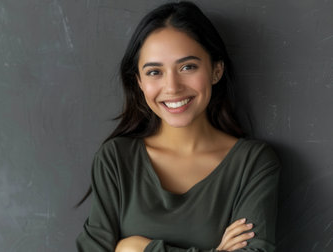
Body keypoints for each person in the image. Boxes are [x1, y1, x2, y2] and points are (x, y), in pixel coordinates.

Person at [76, 1, 280, 251]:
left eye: (187, 67)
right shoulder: (116, 160)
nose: (172, 87)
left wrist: (135, 248)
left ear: (216, 70)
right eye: (154, 72)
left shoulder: (253, 163)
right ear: (139, 81)